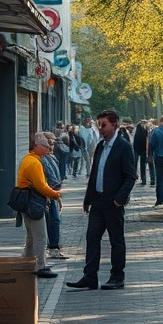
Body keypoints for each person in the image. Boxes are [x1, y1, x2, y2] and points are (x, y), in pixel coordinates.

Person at [66, 109, 136, 291]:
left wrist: (119, 199)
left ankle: (117, 276)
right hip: (97, 201)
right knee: (92, 237)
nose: (100, 128)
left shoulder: (123, 147)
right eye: (99, 125)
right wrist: (87, 199)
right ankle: (90, 276)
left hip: (113, 202)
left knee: (116, 240)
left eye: (104, 125)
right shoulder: (100, 146)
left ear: (115, 125)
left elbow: (131, 176)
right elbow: (95, 173)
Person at [18, 132, 63, 278]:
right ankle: (40, 266)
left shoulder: (31, 159)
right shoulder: (34, 163)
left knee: (32, 236)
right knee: (40, 236)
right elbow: (41, 185)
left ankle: (27, 262)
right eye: (45, 145)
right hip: (33, 202)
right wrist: (56, 195)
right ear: (36, 146)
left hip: (28, 201)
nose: (48, 147)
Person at [41, 132, 69, 262]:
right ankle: (52, 247)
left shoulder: (51, 157)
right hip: (48, 194)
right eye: (49, 144)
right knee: (53, 220)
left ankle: (53, 246)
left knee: (53, 220)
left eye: (53, 144)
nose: (51, 147)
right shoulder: (42, 159)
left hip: (53, 193)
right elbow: (50, 178)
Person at [133, 119, 152, 185]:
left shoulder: (144, 129)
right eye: (143, 122)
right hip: (138, 148)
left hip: (141, 149)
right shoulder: (139, 129)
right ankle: (140, 178)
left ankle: (142, 179)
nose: (144, 123)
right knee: (138, 164)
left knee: (141, 165)